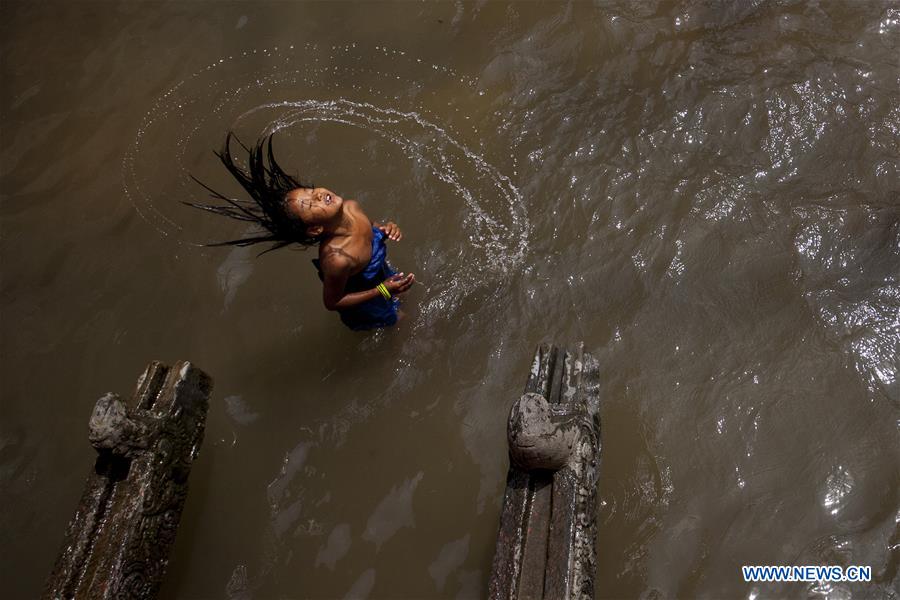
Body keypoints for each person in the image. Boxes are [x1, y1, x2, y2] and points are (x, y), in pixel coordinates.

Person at [187, 133, 415, 330]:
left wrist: (386, 228)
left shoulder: (352, 207)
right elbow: (333, 302)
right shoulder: (336, 259)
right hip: (364, 293)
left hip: (376, 269)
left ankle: (393, 294)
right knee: (397, 321)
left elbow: (371, 227)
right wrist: (381, 291)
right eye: (309, 204)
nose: (317, 195)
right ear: (315, 228)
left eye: (310, 191)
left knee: (403, 292)